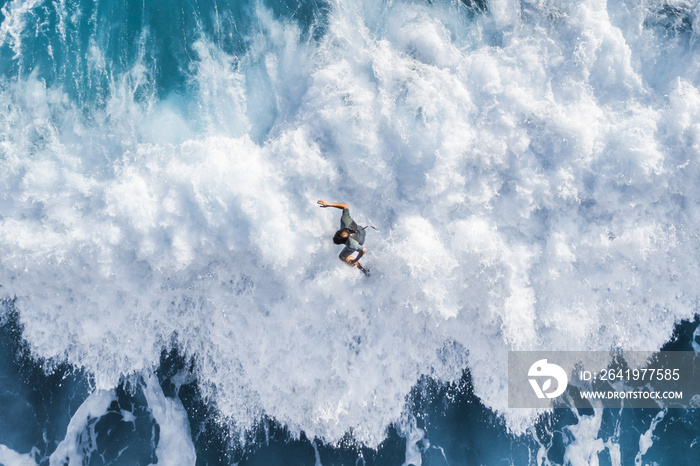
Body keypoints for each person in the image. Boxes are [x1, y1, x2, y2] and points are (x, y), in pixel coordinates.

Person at [317, 200, 368, 273]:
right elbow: (345, 206)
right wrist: (329, 204)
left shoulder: (352, 245)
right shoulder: (345, 220)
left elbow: (363, 250)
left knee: (341, 257)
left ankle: (361, 268)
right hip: (361, 230)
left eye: (337, 242)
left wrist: (355, 260)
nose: (334, 241)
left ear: (345, 242)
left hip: (360, 240)